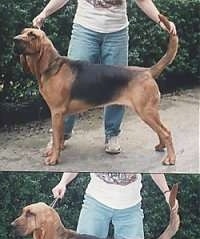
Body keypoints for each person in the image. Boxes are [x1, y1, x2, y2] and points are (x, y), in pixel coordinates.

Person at [33, 0, 176, 155]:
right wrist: (44, 13)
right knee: (65, 89)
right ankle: (60, 137)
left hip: (117, 32)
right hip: (85, 28)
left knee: (120, 87)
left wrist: (158, 19)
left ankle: (112, 134)